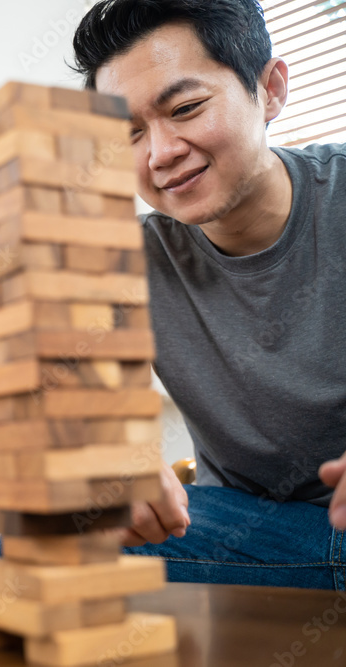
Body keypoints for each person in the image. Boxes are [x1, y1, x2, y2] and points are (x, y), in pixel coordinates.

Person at [71, 0, 346, 588]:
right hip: (245, 536)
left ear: (269, 90)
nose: (160, 153)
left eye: (187, 108)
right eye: (129, 133)